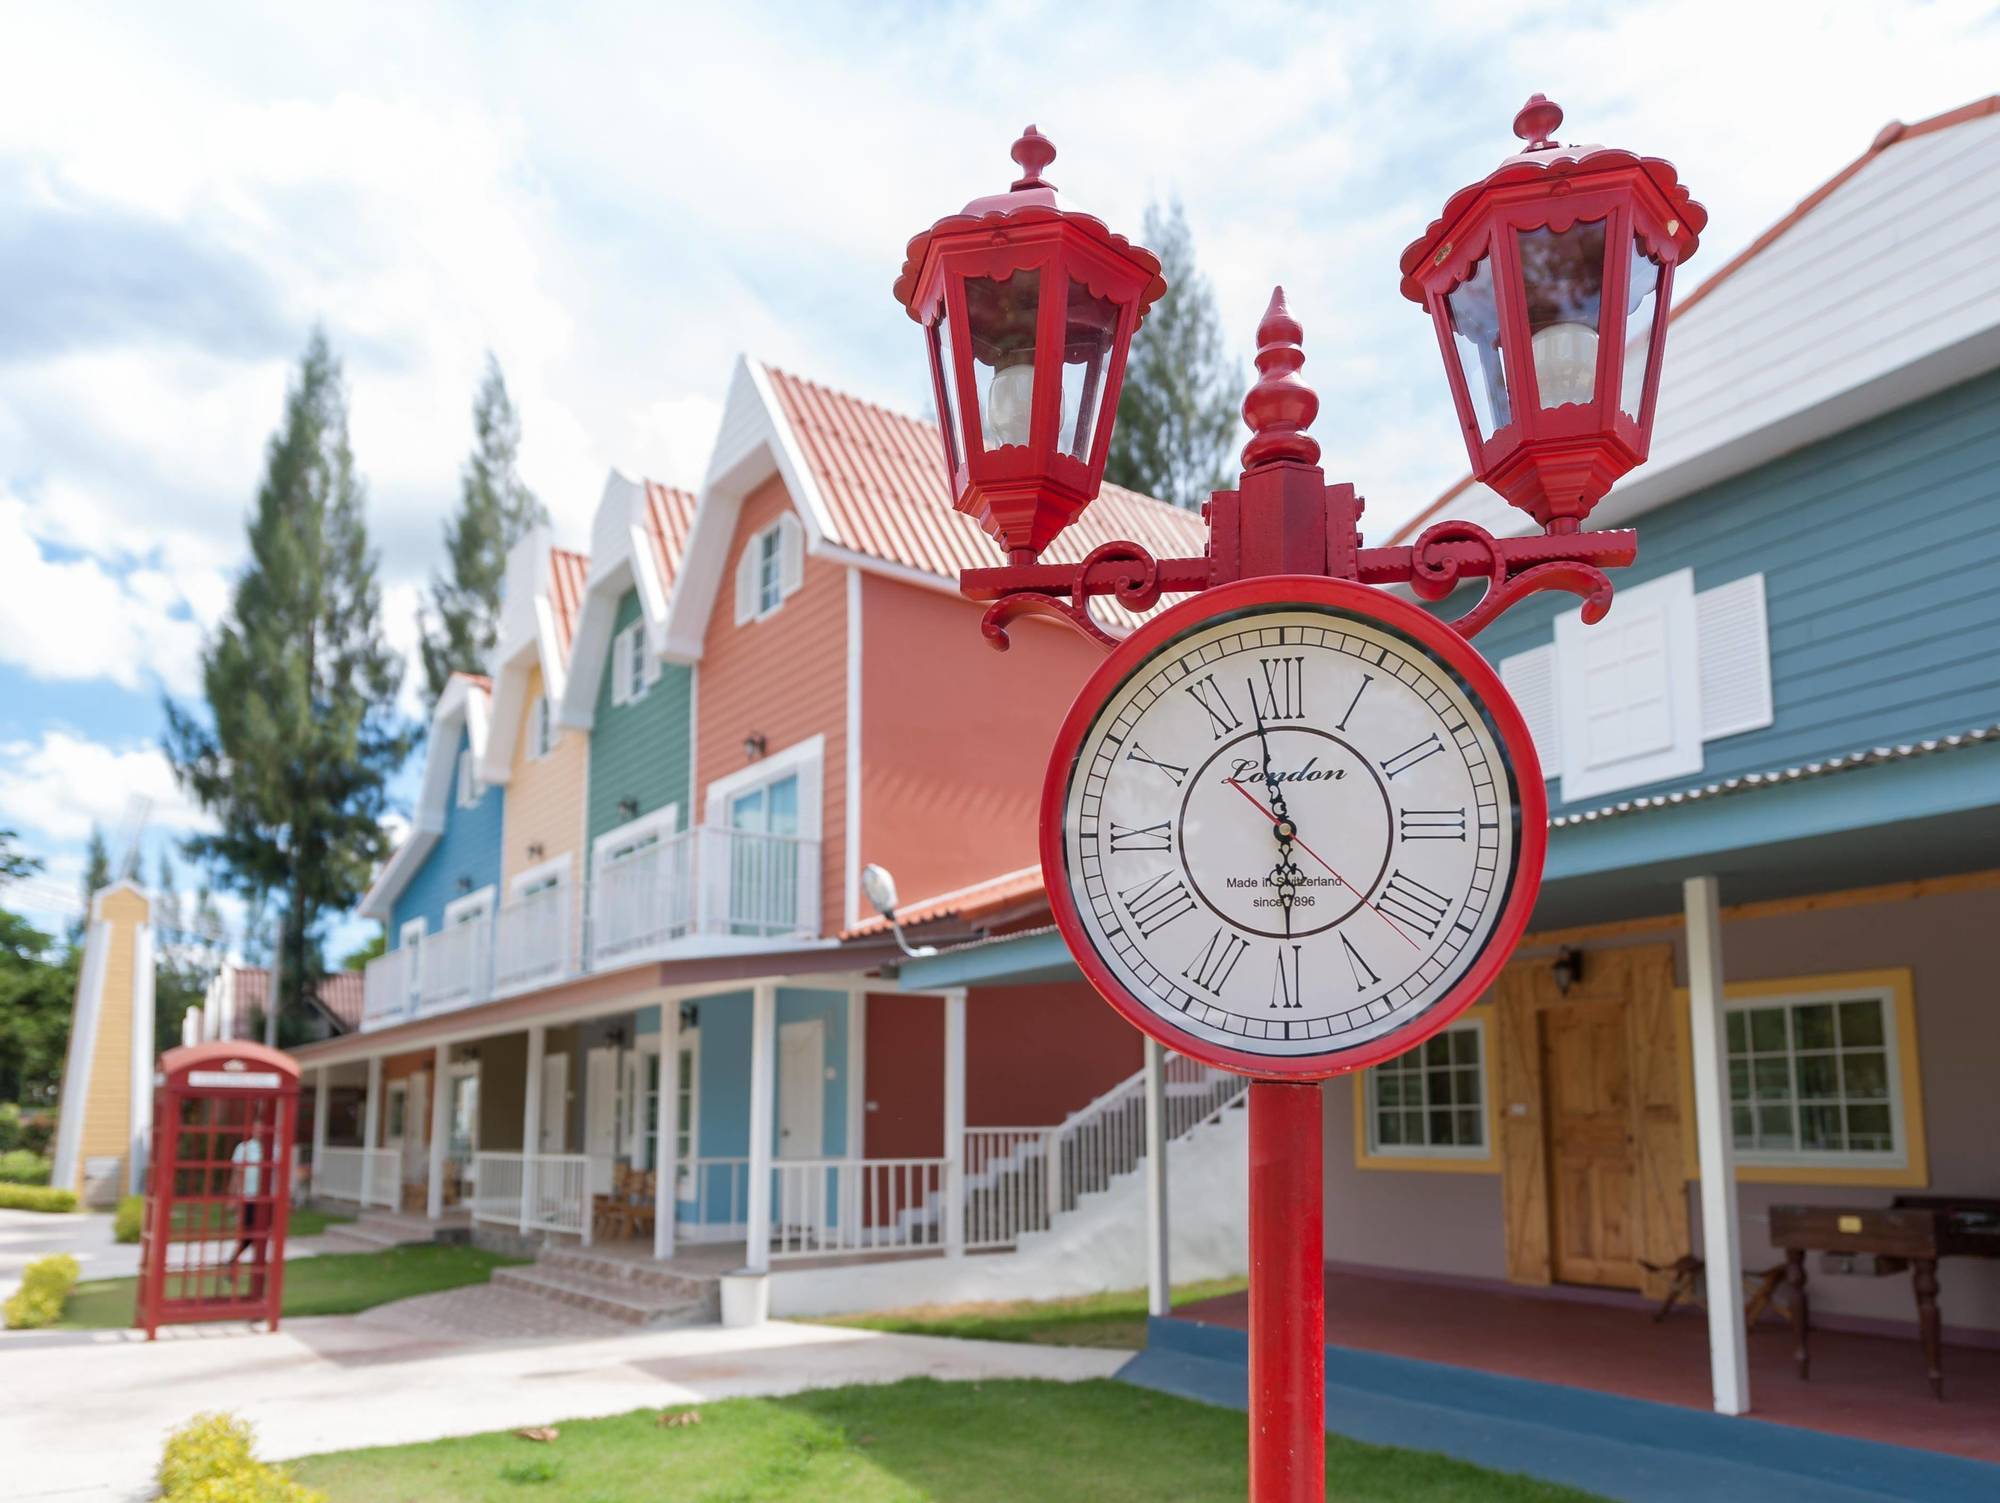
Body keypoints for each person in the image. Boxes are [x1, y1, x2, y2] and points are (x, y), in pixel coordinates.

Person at [227, 1130, 267, 1268]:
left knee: (262, 1232)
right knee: (249, 1232)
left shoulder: (274, 1148)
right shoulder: (244, 1148)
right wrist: (232, 1196)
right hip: (248, 1197)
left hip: (267, 1198)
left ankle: (255, 1263)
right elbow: (236, 1173)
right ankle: (235, 1259)